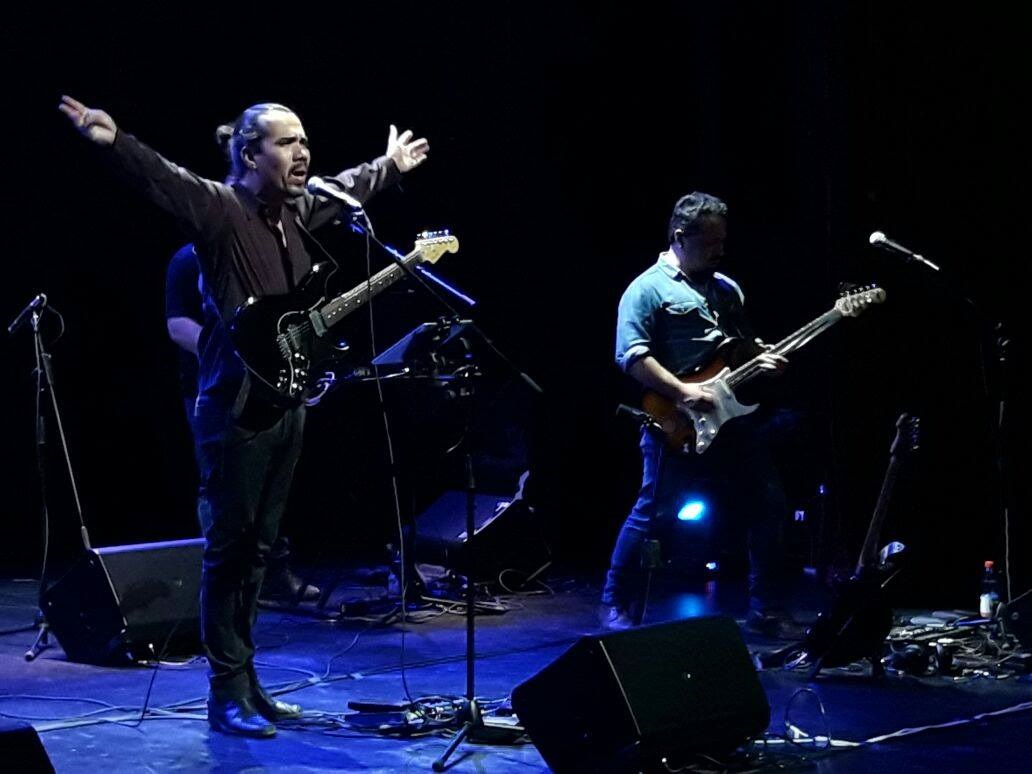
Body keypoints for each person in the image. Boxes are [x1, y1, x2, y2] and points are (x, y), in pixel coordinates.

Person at [61, 95, 429, 737]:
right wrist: (115, 140)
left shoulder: (294, 212)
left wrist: (389, 165)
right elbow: (164, 179)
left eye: (305, 141)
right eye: (288, 143)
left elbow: (344, 188)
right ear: (249, 154)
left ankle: (249, 681)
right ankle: (223, 691)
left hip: (284, 401)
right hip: (232, 408)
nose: (303, 153)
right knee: (230, 552)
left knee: (260, 551)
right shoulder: (223, 210)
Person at [603, 191, 793, 635]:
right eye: (710, 242)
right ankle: (615, 600)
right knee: (652, 510)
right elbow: (630, 358)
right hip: (675, 420)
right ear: (679, 237)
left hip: (734, 418)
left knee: (769, 506)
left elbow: (740, 347)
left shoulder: (728, 289)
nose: (719, 250)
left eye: (722, 241)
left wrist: (765, 357)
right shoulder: (646, 289)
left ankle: (764, 609)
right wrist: (683, 392)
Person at [165, 243, 319, 604]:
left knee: (268, 487)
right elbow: (177, 324)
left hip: (267, 389)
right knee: (218, 485)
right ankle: (223, 583)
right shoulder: (189, 258)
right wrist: (228, 351)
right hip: (212, 391)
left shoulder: (262, 256)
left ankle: (270, 576)